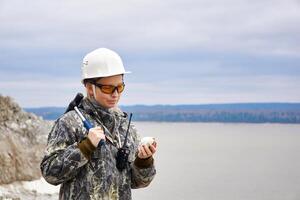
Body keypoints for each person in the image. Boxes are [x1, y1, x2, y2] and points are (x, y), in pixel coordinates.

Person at [40, 48, 157, 200]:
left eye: (120, 87)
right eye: (108, 88)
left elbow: (137, 182)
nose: (115, 94)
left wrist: (143, 160)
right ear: (89, 87)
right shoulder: (69, 123)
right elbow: (50, 173)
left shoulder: (125, 126)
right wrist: (85, 147)